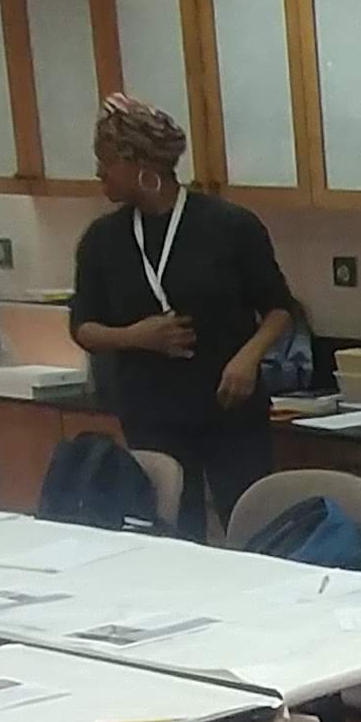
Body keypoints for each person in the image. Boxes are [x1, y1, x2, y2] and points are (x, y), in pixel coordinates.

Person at [70, 93, 292, 540]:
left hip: (231, 408)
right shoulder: (104, 239)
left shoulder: (229, 226)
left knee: (254, 530)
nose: (99, 173)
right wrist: (134, 336)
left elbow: (279, 308)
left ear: (140, 163)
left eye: (107, 160)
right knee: (173, 532)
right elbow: (83, 327)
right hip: (152, 412)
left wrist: (248, 358)